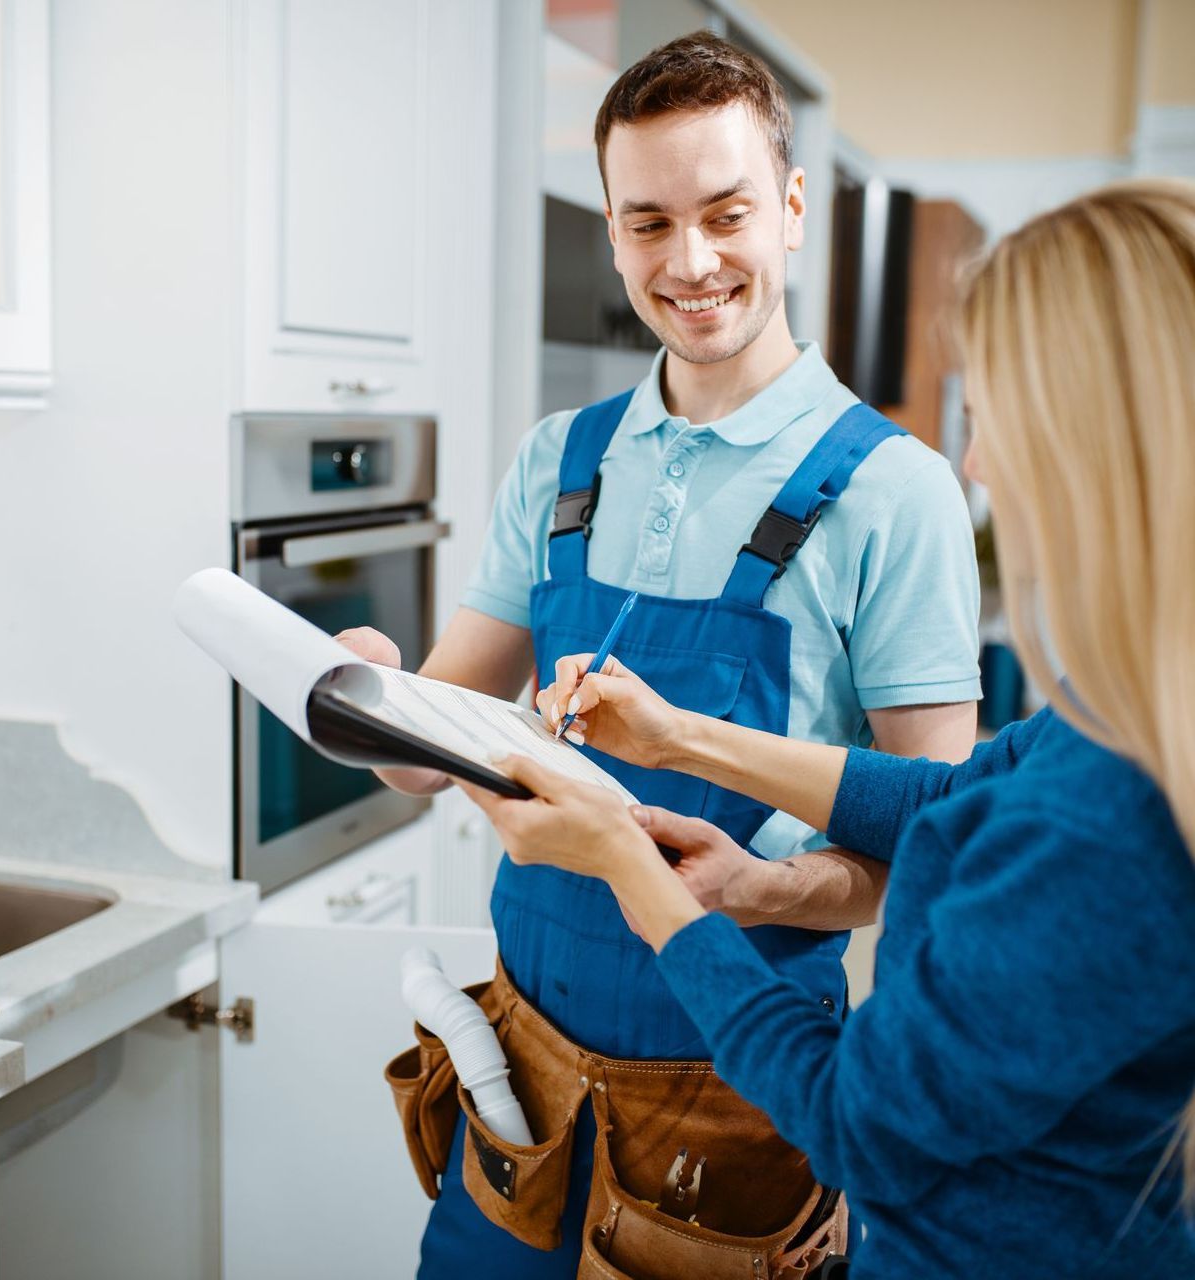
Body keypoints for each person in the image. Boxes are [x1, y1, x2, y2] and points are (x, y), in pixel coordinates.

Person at [461, 179, 1195, 1278]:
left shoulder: (1102, 820)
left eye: (996, 417)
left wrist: (627, 861)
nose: (982, 464)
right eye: (647, 220)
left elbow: (857, 1116)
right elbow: (951, 800)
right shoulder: (1124, 722)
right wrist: (679, 740)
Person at [353, 32, 981, 1277]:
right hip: (513, 1079)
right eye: (646, 222)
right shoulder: (558, 458)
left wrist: (755, 887)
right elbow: (430, 754)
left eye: (724, 213)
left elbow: (937, 856)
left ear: (791, 210)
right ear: (609, 224)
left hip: (736, 1100)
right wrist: (364, 700)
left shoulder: (893, 494)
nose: (687, 263)